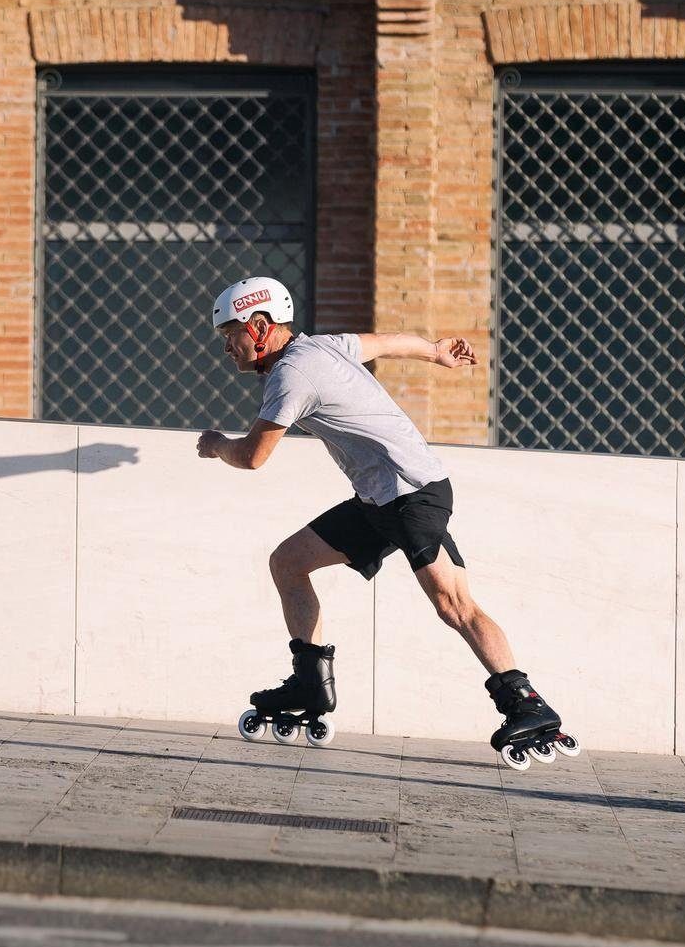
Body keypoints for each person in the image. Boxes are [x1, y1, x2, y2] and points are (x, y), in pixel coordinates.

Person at [195, 276, 575, 768]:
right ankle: (311, 682)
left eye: (232, 333)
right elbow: (389, 342)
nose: (227, 346)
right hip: (381, 500)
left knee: (454, 604)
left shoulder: (293, 377)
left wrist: (214, 444)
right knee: (288, 562)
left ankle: (527, 705)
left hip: (411, 496)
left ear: (261, 326)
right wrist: (435, 352)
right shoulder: (323, 348)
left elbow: (251, 457)